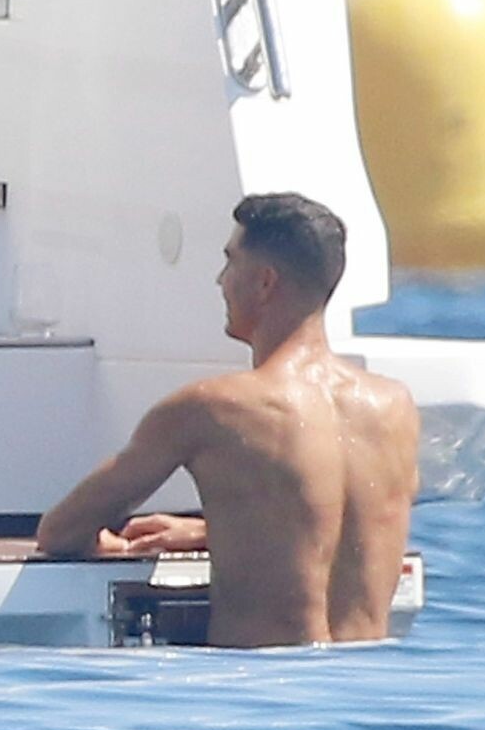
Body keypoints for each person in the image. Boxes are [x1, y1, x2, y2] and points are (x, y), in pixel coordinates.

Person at [36, 193, 419, 647]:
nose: (221, 280)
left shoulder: (213, 409)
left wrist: (116, 546)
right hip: (367, 678)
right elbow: (335, 527)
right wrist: (215, 531)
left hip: (259, 682)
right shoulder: (393, 408)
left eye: (230, 261)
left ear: (264, 282)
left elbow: (61, 532)